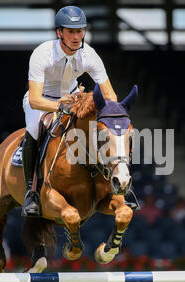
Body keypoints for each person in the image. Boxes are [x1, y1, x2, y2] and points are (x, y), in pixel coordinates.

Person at [21, 6, 117, 217]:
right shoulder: (42, 53)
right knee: (34, 130)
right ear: (59, 33)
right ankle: (32, 192)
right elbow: (36, 99)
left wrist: (106, 112)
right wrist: (60, 107)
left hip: (73, 97)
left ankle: (118, 183)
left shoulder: (89, 54)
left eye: (80, 31)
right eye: (71, 31)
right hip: (43, 101)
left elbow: (111, 96)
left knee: (105, 128)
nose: (76, 36)